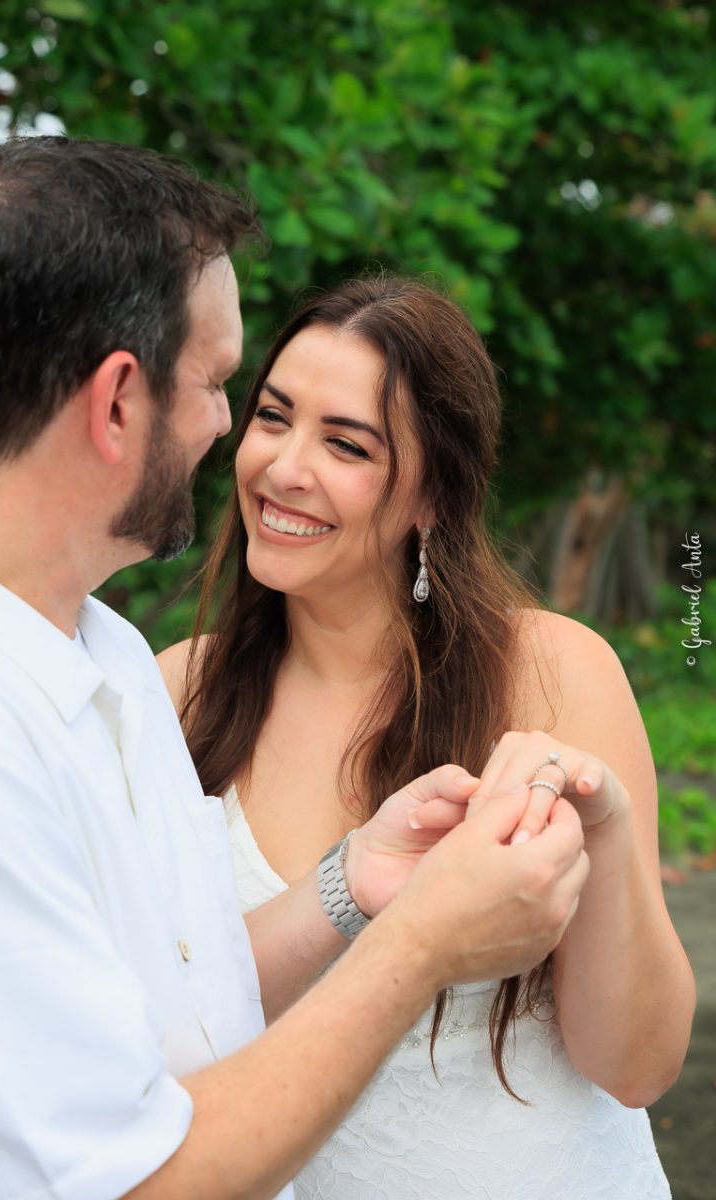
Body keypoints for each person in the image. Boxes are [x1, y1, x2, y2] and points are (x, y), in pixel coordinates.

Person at [0, 138, 591, 1200]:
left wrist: (353, 882)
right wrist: (417, 946)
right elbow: (136, 1183)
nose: (233, 433)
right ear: (116, 403)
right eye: (226, 386)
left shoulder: (100, 651)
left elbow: (177, 997)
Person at [159, 275, 696, 1199]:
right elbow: (153, 1033)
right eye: (273, 417)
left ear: (432, 499)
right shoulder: (173, 695)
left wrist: (603, 835)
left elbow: (638, 1065)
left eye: (346, 444)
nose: (285, 467)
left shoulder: (551, 673)